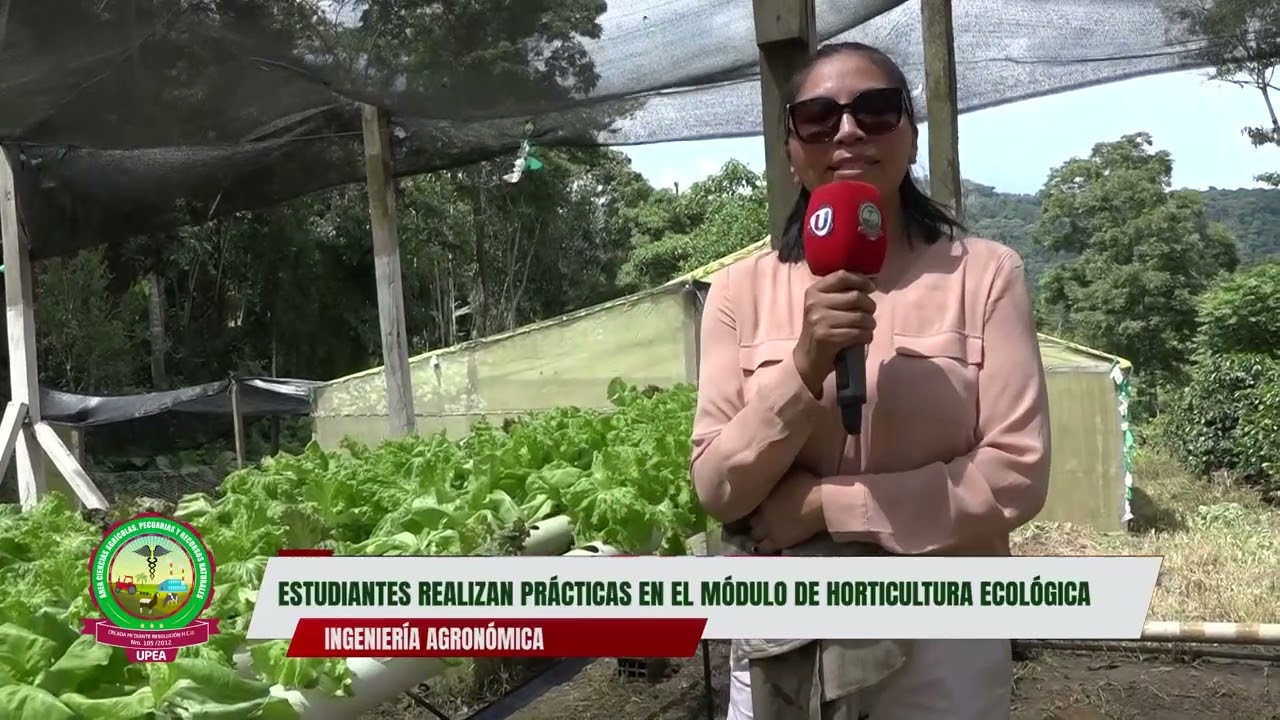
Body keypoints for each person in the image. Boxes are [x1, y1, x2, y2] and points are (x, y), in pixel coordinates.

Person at [689, 41, 1052, 720]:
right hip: (781, 631)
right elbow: (718, 485)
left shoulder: (985, 275)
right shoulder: (738, 293)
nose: (848, 132)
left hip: (942, 638)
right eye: (819, 119)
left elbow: (1016, 475)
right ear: (792, 150)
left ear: (910, 136)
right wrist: (803, 365)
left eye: (876, 111)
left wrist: (830, 507)